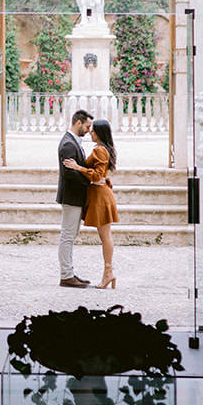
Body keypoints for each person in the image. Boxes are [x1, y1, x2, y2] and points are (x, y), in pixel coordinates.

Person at [67, 117, 120, 289]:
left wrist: (78, 168)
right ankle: (108, 272)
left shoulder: (100, 150)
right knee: (105, 236)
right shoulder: (104, 149)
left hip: (100, 197)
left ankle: (108, 272)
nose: (90, 132)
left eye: (93, 130)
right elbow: (101, 174)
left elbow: (97, 175)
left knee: (105, 237)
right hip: (101, 193)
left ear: (99, 133)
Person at [55, 110, 96, 288]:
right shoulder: (68, 144)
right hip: (71, 196)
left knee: (70, 235)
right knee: (67, 235)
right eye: (87, 126)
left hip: (75, 196)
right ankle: (66, 275)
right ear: (78, 122)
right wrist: (89, 179)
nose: (88, 130)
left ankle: (69, 272)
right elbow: (68, 173)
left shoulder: (72, 142)